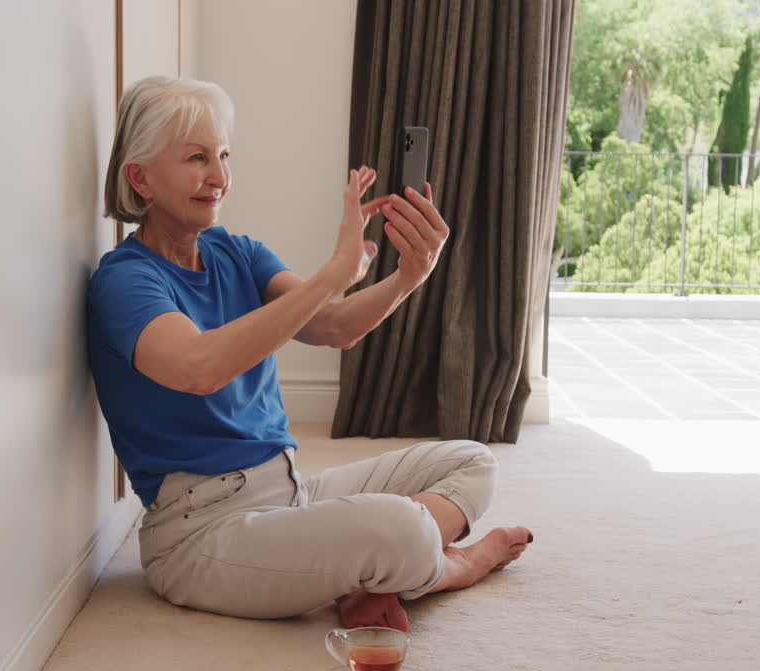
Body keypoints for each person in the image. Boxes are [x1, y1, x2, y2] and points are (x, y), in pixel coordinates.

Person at [87, 76, 532, 631]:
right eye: (197, 157)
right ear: (141, 178)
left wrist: (408, 276)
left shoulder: (237, 252)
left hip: (291, 491)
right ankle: (451, 565)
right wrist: (333, 274)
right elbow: (197, 367)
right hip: (199, 533)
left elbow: (331, 326)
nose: (220, 177)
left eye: (224, 155)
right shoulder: (125, 282)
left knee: (471, 461)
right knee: (402, 527)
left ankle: (357, 571)